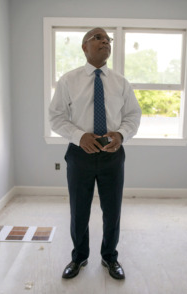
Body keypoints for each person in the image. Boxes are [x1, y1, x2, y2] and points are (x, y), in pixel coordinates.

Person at [49, 27, 141, 280]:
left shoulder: (121, 82)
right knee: (79, 210)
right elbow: (55, 118)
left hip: (113, 154)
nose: (105, 42)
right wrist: (80, 136)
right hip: (80, 154)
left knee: (113, 210)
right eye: (98, 38)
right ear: (84, 47)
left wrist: (121, 135)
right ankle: (79, 257)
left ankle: (110, 257)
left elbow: (133, 115)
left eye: (108, 39)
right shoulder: (69, 80)